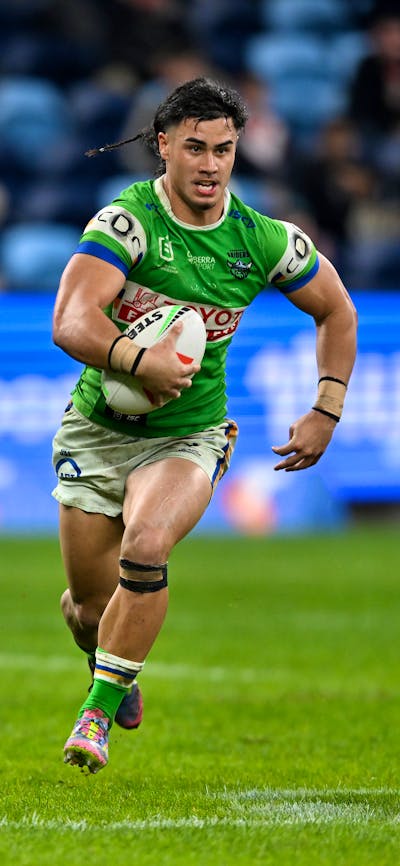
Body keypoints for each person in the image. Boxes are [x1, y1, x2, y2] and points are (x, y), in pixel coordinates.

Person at [52, 76, 357, 774]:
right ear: (163, 146)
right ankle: (110, 663)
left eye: (224, 149)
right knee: (85, 608)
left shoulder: (261, 238)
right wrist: (139, 359)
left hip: (189, 435)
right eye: (195, 148)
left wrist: (326, 407)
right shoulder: (126, 222)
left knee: (149, 544)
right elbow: (71, 320)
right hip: (96, 433)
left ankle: (95, 712)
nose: (211, 165)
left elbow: (337, 310)